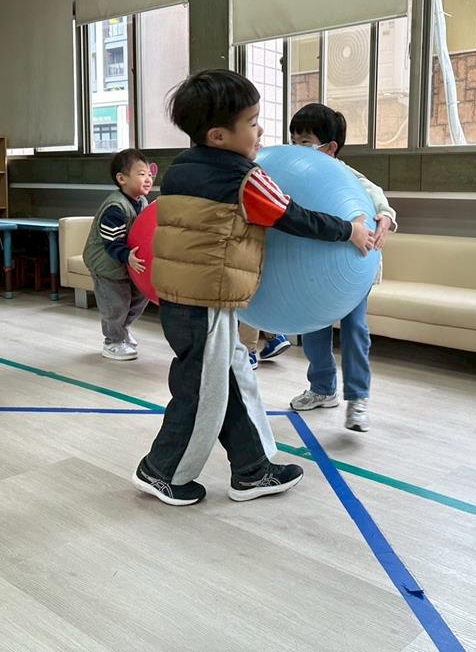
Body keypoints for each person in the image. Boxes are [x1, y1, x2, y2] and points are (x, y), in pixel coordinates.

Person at [132, 70, 373, 506]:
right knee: (203, 393)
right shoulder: (245, 178)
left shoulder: (181, 168)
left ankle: (252, 468)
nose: (261, 131)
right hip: (206, 299)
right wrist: (349, 230)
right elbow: (294, 216)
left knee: (233, 378)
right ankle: (162, 471)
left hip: (184, 296)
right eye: (253, 122)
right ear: (219, 136)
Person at [287, 103, 397, 432]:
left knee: (354, 330)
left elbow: (379, 199)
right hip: (314, 269)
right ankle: (323, 389)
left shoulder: (346, 175)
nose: (296, 148)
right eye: (293, 141)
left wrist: (386, 217)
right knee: (313, 330)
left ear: (330, 147)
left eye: (305, 142)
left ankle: (358, 398)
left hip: (352, 267)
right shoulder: (298, 174)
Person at [82, 149, 154, 361]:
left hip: (128, 261)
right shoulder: (115, 208)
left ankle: (122, 330)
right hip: (106, 263)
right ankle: (112, 342)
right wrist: (127, 255)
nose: (148, 179)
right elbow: (111, 242)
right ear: (122, 179)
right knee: (116, 304)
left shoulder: (142, 202)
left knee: (140, 296)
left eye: (149, 174)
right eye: (141, 174)